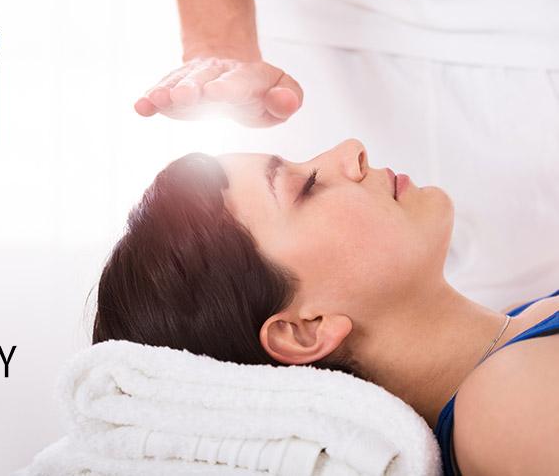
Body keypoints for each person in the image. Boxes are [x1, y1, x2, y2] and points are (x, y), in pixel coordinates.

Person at [93, 139, 558, 476]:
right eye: (307, 186)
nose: (351, 151)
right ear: (303, 330)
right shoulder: (502, 411)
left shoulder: (522, 324)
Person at [134, 0, 559, 310]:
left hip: (531, 28)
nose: (355, 152)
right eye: (307, 183)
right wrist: (219, 46)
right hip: (316, 45)